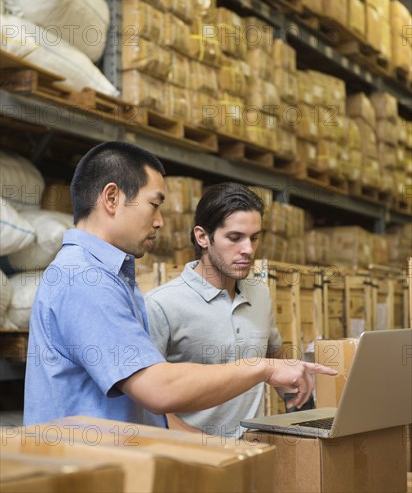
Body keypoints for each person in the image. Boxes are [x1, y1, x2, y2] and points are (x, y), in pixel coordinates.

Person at [24, 141, 336, 427]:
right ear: (112, 198)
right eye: (154, 204)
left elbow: (145, 409)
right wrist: (263, 369)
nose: (159, 220)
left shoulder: (108, 276)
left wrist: (216, 453)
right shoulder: (84, 280)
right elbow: (156, 389)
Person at [145, 183, 284, 437]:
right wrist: (204, 446)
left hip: (253, 452)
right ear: (202, 237)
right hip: (194, 460)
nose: (248, 250)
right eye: (235, 238)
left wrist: (305, 404)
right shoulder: (161, 305)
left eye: (254, 238)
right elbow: (144, 400)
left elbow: (274, 354)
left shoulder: (260, 293)